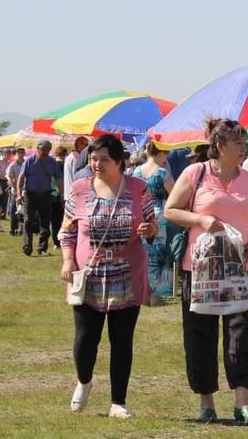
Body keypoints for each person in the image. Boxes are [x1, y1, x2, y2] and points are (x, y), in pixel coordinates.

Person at [163, 118, 248, 424]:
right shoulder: (196, 173)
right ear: (219, 147)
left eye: (244, 143)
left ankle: (243, 402)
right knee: (199, 335)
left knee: (242, 334)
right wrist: (200, 220)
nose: (243, 149)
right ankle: (206, 402)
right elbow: (170, 210)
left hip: (238, 268)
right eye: (238, 144)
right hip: (201, 270)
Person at [59, 134, 156, 420]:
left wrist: (149, 230)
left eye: (103, 159)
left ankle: (118, 402)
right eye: (93, 158)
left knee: (122, 339)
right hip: (88, 273)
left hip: (127, 273)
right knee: (86, 338)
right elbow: (67, 230)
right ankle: (84, 381)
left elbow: (152, 223)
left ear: (119, 162)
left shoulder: (139, 189)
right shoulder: (78, 190)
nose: (96, 164)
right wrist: (67, 260)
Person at [133, 141, 178, 302]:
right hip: (159, 217)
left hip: (141, 215)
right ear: (160, 153)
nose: (166, 158)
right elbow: (174, 194)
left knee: (144, 255)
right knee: (160, 256)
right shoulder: (162, 173)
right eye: (165, 154)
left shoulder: (136, 171)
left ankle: (143, 292)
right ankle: (157, 295)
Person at [16, 140, 62, 257]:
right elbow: (21, 178)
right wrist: (18, 194)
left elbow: (58, 179)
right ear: (38, 150)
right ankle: (27, 246)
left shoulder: (52, 163)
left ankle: (42, 248)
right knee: (28, 220)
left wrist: (62, 193)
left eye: (46, 153)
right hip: (30, 194)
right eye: (42, 153)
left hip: (46, 194)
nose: (44, 155)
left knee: (45, 222)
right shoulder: (29, 161)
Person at [6, 148, 25, 236]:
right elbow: (10, 178)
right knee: (14, 209)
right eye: (19, 153)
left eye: (22, 152)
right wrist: (16, 189)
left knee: (24, 210)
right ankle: (13, 228)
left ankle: (22, 228)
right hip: (15, 191)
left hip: (25, 190)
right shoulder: (13, 165)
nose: (21, 154)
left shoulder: (26, 163)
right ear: (16, 154)